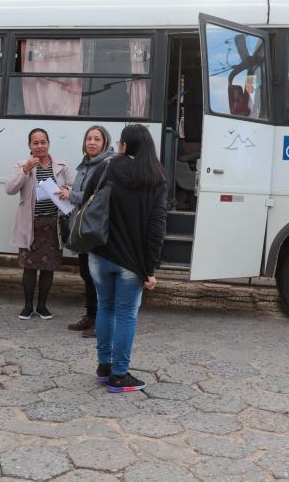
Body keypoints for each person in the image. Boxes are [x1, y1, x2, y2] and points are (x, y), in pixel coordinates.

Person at [82, 124, 166, 392]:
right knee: (126, 314)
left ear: (124, 145)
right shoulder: (155, 178)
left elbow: (86, 200)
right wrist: (150, 269)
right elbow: (156, 228)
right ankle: (119, 375)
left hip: (100, 253)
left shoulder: (105, 167)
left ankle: (104, 367)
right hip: (131, 261)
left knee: (105, 307)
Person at [5, 128, 75, 320]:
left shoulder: (61, 165)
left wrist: (66, 189)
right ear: (29, 146)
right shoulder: (22, 164)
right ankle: (28, 306)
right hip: (31, 223)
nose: (40, 146)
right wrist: (25, 170)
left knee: (48, 267)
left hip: (53, 224)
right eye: (35, 143)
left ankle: (42, 306)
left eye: (43, 142)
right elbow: (10, 189)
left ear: (48, 143)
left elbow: (73, 187)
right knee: (29, 266)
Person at [57, 125, 115, 338]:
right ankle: (90, 316)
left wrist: (71, 195)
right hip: (82, 228)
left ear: (105, 143)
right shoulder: (85, 165)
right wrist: (70, 192)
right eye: (89, 138)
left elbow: (98, 197)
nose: (91, 142)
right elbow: (83, 191)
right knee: (86, 273)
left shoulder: (107, 165)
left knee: (97, 276)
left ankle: (101, 322)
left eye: (97, 139)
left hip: (95, 229)